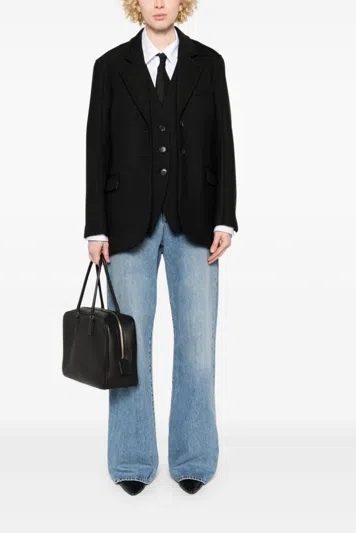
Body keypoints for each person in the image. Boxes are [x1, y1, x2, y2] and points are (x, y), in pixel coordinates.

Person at [84, 0, 238, 496]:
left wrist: (225, 217)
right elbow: (96, 147)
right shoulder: (110, 67)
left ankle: (194, 457)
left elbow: (223, 142)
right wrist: (95, 228)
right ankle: (131, 460)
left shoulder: (208, 63)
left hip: (198, 221)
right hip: (125, 225)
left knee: (198, 347)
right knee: (129, 349)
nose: (158, 3)